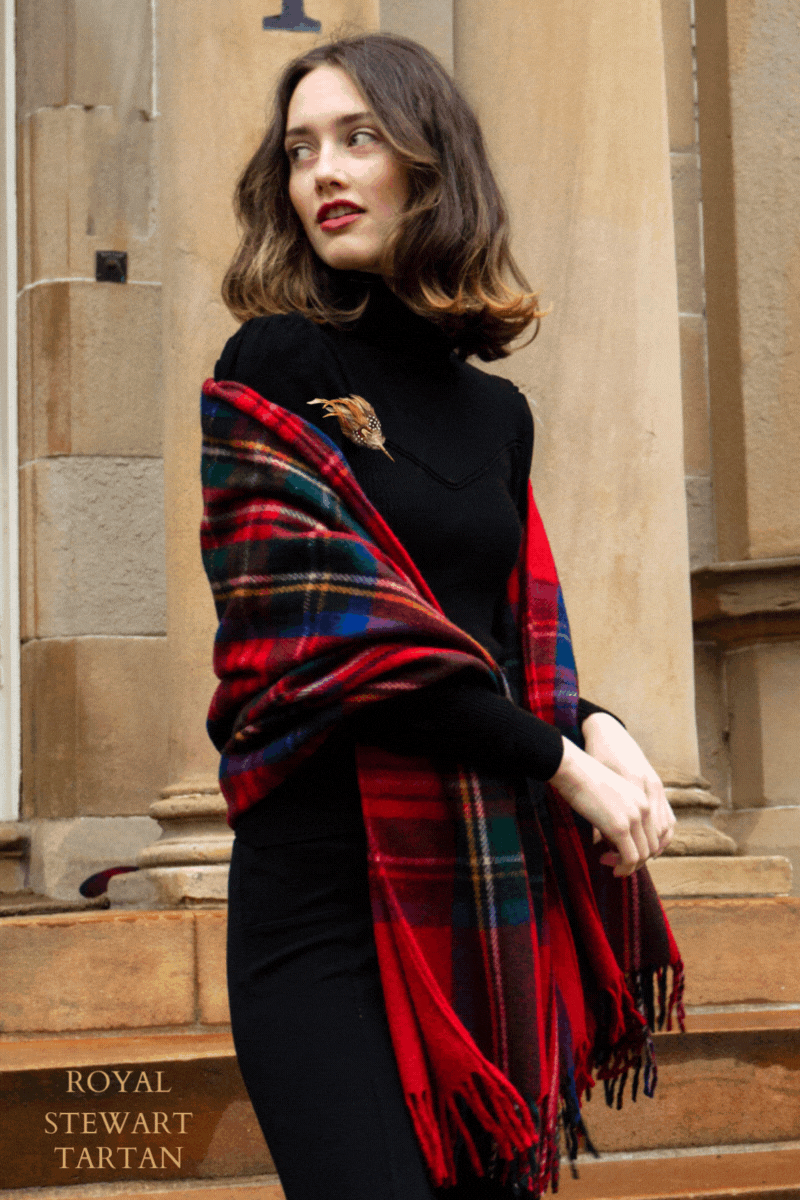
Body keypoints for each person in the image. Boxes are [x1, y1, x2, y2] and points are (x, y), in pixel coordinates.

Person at [200, 32, 681, 1200]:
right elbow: (351, 636)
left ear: (430, 164)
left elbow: (490, 637)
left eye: (357, 138)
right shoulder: (274, 364)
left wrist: (595, 721)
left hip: (477, 885)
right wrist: (560, 764)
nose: (324, 171)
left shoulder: (496, 415)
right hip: (320, 902)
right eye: (300, 149)